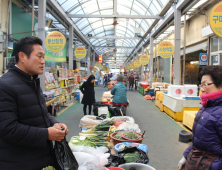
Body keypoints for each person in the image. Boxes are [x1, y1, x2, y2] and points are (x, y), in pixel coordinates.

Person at [0, 36, 69, 170]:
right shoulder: (5, 86)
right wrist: (47, 134)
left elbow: (41, 114)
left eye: (43, 57)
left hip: (40, 158)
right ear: (22, 56)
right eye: (39, 56)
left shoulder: (32, 82)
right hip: (19, 162)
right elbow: (8, 128)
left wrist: (55, 123)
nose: (43, 61)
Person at [178, 65, 222, 170]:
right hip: (196, 163)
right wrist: (186, 155)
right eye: (201, 84)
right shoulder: (206, 106)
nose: (202, 89)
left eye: (205, 84)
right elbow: (198, 139)